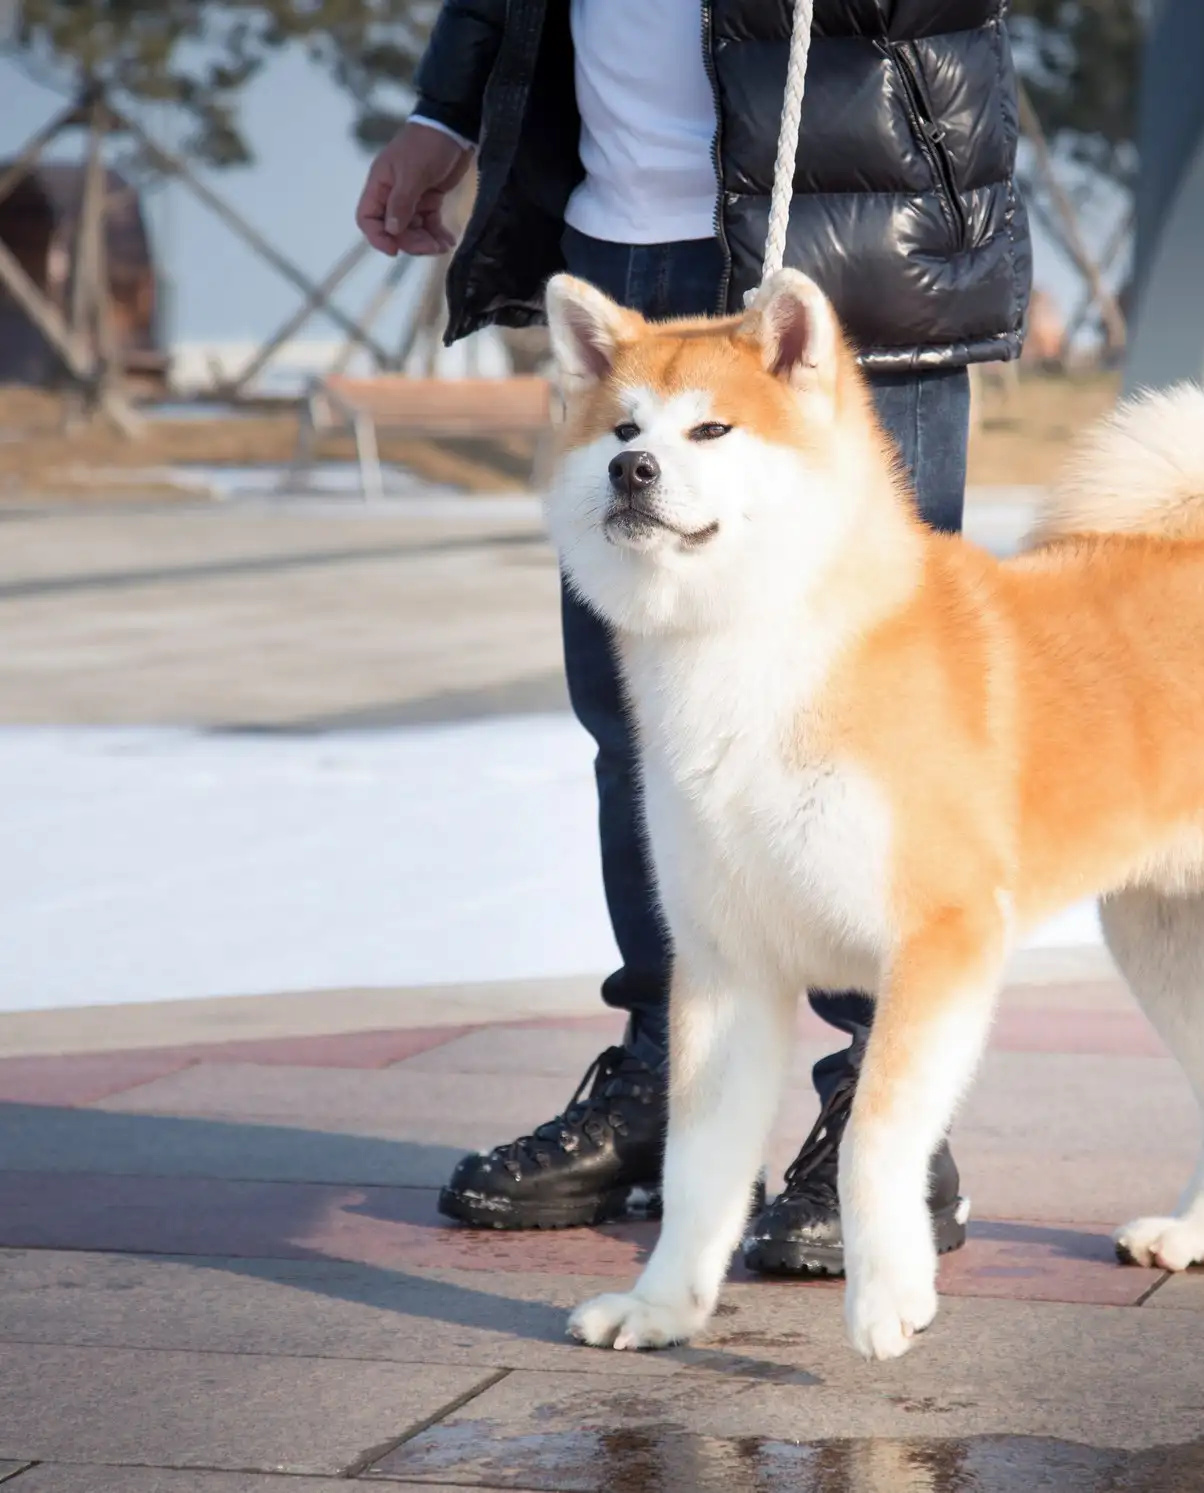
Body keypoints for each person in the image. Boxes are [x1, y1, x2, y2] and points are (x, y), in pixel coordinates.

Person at [354, 0, 1030, 1275]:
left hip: (846, 213)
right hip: (619, 229)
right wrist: (450, 109)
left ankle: (884, 1112)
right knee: (642, 721)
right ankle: (674, 1090)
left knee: (869, 716)